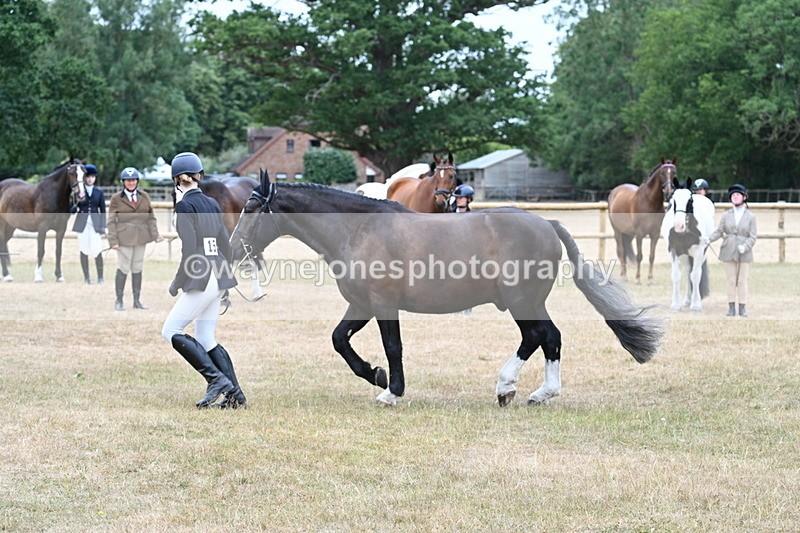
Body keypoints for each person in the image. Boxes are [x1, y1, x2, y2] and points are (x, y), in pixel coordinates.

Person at [161, 152, 246, 409]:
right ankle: (236, 396)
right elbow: (226, 247)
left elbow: (189, 250)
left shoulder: (185, 206)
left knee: (170, 331)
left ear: (177, 180)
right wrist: (226, 281)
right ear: (200, 176)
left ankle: (215, 380)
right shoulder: (212, 203)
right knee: (206, 338)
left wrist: (177, 282)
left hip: (202, 274)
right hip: (219, 275)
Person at [107, 167, 163, 310]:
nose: (131, 183)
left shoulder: (144, 196)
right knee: (123, 268)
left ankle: (136, 300)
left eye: (133, 180)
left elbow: (151, 217)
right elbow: (111, 221)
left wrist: (155, 234)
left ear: (137, 181)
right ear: (123, 182)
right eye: (128, 180)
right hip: (124, 238)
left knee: (137, 268)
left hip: (141, 237)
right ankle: (119, 300)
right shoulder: (116, 199)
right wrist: (113, 241)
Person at [703, 184, 757, 317]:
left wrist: (745, 246)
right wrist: (708, 239)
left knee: (742, 280)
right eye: (733, 195)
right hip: (728, 250)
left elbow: (753, 236)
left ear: (744, 197)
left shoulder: (751, 217)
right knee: (731, 280)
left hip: (744, 252)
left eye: (738, 195)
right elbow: (720, 231)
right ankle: (731, 307)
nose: (735, 197)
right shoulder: (726, 215)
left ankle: (742, 307)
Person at [70, 163, 106, 284]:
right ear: (84, 177)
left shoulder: (99, 193)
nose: (90, 179)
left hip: (95, 224)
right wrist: (76, 204)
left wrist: (103, 226)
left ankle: (100, 277)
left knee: (97, 250)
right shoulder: (78, 191)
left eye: (92, 177)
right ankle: (87, 277)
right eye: (88, 177)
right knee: (84, 249)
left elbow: (103, 210)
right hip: (82, 224)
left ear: (95, 178)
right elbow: (72, 209)